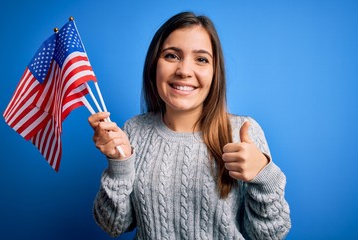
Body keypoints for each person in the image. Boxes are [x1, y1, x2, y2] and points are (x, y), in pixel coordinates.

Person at [88, 11, 291, 239]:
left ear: (215, 73)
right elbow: (112, 225)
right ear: (154, 64)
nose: (184, 71)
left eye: (201, 59)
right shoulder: (134, 130)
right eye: (172, 56)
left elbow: (270, 235)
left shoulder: (242, 132)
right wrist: (119, 165)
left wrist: (264, 175)